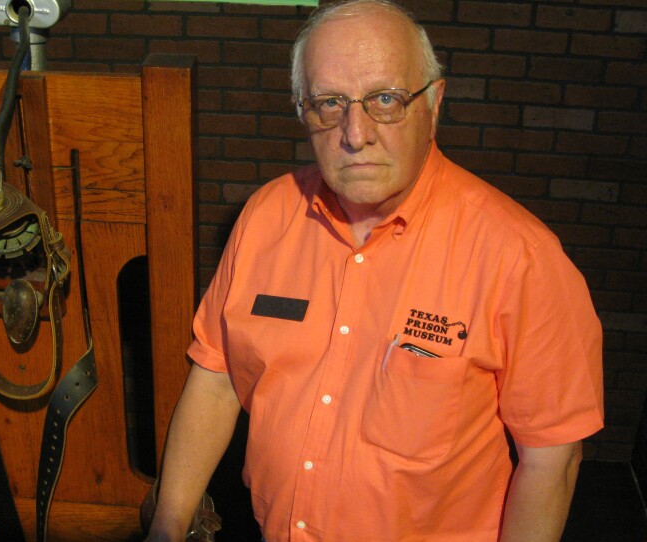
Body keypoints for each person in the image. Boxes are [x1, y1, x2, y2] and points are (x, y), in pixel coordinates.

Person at [145, 1, 604, 540]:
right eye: (329, 103)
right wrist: (169, 524)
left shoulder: (520, 257)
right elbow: (217, 377)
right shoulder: (266, 217)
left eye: (385, 99)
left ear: (434, 101)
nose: (355, 133)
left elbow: (551, 459)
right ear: (302, 111)